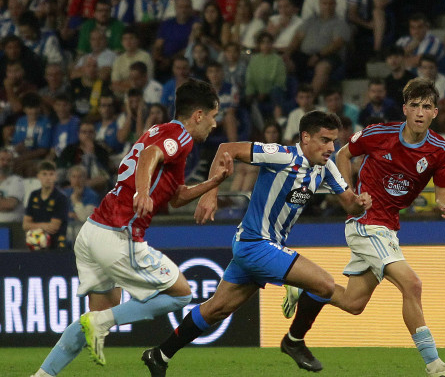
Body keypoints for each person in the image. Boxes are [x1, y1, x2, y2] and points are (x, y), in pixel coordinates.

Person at [141, 110, 373, 375]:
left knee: (215, 310)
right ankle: (293, 341)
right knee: (324, 285)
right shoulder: (282, 155)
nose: (331, 147)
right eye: (324, 140)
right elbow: (227, 148)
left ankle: (160, 354)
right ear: (305, 137)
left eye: (334, 141)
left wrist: (360, 203)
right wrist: (210, 192)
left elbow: (349, 205)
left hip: (257, 248)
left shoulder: (326, 167)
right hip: (256, 244)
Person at [29, 79, 234, 377]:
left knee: (95, 318)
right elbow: (150, 156)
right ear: (198, 115)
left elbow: (176, 197)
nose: (214, 125)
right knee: (181, 294)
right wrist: (142, 192)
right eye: (213, 117)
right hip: (118, 233)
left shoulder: (162, 133)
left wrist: (213, 183)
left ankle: (42, 375)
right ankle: (100, 324)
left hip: (92, 232)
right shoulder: (179, 135)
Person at [271, 79, 445, 377]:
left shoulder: (440, 149)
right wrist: (349, 195)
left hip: (388, 227)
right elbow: (342, 154)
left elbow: (443, 191)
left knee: (353, 303)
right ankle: (434, 364)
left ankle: (305, 287)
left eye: (426, 106)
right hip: (366, 221)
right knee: (412, 284)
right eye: (414, 105)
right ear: (404, 109)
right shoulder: (379, 133)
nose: (419, 112)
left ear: (435, 113)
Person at [23, 160, 69, 250]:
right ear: (38, 176)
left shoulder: (60, 197)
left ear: (55, 177)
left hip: (56, 244)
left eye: (51, 174)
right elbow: (25, 225)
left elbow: (54, 227)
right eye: (44, 174)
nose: (48, 178)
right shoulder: (34, 195)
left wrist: (34, 226)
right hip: (36, 242)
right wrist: (44, 225)